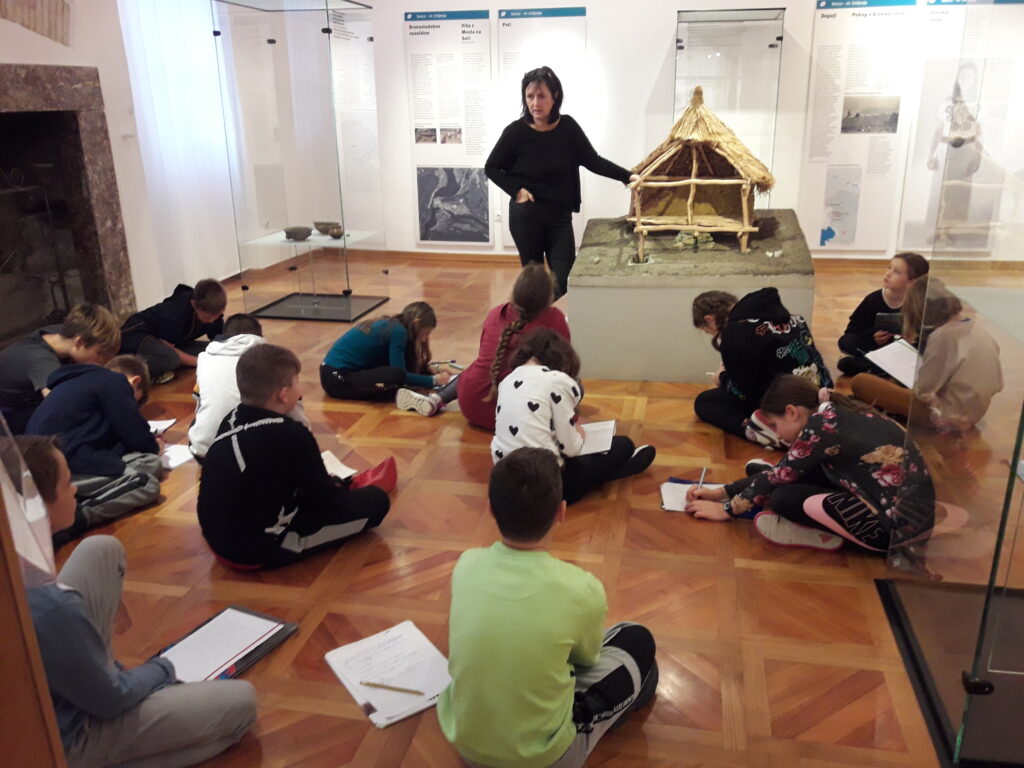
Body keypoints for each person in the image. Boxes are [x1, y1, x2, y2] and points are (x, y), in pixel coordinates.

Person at [19, 435, 257, 768]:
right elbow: (112, 698)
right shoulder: (49, 604)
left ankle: (103, 682)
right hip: (69, 736)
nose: (74, 490)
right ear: (35, 508)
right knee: (241, 705)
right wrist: (163, 668)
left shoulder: (21, 566)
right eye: (67, 482)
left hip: (60, 691)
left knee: (100, 550)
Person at [438, 448, 658, 768]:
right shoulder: (581, 588)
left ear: (491, 510)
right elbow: (586, 659)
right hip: (545, 759)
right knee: (637, 639)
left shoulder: (465, 564)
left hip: (468, 747)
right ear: (561, 512)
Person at [685, 374, 935, 553]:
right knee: (783, 476)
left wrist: (726, 508)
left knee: (783, 498)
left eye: (774, 425)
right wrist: (722, 491)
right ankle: (762, 488)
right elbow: (782, 472)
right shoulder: (835, 410)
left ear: (792, 412)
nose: (776, 433)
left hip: (893, 533)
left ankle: (818, 534)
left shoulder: (820, 428)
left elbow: (778, 477)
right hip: (901, 510)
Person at [199, 343, 392, 569]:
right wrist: (339, 486)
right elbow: (329, 501)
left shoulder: (230, 419)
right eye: (296, 383)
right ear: (283, 395)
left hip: (216, 539)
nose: (300, 392)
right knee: (377, 501)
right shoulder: (291, 433)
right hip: (256, 551)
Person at [484, 66, 639, 298]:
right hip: (526, 217)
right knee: (534, 281)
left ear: (555, 96)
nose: (535, 103)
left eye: (541, 96)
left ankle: (544, 312)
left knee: (563, 280)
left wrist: (627, 176)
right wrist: (517, 191)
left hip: (559, 218)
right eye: (530, 96)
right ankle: (536, 317)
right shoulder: (516, 132)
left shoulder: (568, 128)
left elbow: (593, 160)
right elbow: (491, 167)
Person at [491, 328, 655, 504]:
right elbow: (571, 448)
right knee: (624, 445)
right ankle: (613, 472)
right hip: (548, 488)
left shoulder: (506, 381)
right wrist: (579, 435)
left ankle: (602, 474)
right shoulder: (557, 380)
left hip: (506, 485)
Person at [395, 265, 570, 424]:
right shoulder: (555, 318)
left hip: (472, 404)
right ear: (549, 296)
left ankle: (436, 399)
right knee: (573, 385)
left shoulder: (495, 313)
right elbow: (564, 367)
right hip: (518, 415)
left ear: (515, 292)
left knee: (478, 367)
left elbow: (486, 356)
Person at [26, 355, 163, 545]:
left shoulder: (77, 382)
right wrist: (155, 445)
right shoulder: (115, 381)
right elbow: (136, 436)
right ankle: (80, 516)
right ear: (135, 381)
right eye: (134, 402)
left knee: (149, 463)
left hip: (49, 463)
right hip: (65, 467)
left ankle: (84, 494)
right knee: (147, 482)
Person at [851, 276, 1003, 431]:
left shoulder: (943, 336)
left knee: (861, 382)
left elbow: (923, 392)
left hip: (946, 416)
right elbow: (998, 386)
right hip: (975, 413)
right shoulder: (980, 331)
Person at [692, 288, 833, 449]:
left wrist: (722, 378)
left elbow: (745, 393)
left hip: (786, 405)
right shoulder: (794, 319)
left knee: (705, 401)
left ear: (710, 319)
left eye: (707, 331)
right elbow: (814, 358)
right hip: (818, 393)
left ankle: (765, 431)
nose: (712, 335)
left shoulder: (734, 335)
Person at [188, 313, 310, 460]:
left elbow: (200, 403)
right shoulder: (270, 361)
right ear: (259, 336)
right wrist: (303, 437)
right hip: (257, 455)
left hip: (205, 452)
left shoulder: (205, 358)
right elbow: (294, 410)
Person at [0, 304, 121, 434]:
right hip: (8, 411)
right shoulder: (43, 362)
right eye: (99, 354)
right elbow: (61, 407)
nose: (103, 362)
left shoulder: (63, 334)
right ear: (79, 342)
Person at [320, 301, 457, 401]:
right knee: (394, 381)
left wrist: (425, 370)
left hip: (332, 375)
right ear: (416, 323)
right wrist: (433, 380)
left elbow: (399, 364)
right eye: (425, 333)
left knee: (394, 382)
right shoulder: (398, 331)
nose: (425, 338)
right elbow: (399, 374)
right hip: (338, 378)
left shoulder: (393, 325)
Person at [837, 252, 929, 376]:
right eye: (889, 267)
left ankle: (874, 367)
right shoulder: (873, 299)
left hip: (904, 351)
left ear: (912, 281)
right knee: (846, 341)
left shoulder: (921, 304)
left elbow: (928, 338)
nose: (888, 274)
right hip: (876, 348)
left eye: (896, 272)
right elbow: (852, 330)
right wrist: (873, 336)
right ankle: (881, 367)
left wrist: (910, 339)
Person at [119, 279, 227, 382]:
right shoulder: (176, 313)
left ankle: (162, 369)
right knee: (171, 359)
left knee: (209, 351)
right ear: (194, 304)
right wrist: (199, 362)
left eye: (217, 316)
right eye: (207, 317)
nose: (212, 321)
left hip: (173, 344)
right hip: (138, 336)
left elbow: (219, 341)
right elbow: (168, 347)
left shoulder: (214, 313)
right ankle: (122, 367)